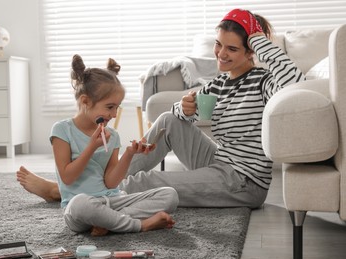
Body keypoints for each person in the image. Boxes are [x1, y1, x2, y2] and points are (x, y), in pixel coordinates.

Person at [18, 8, 304, 209]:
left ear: (251, 51)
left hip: (243, 181)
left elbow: (296, 84)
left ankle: (68, 191)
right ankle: (98, 180)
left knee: (150, 181)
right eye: (218, 45)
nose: (221, 54)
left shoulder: (265, 82)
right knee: (168, 119)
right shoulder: (219, 83)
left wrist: (258, 39)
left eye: (232, 49)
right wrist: (185, 108)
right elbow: (180, 115)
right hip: (219, 162)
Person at [19, 54, 179, 236]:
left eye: (117, 108)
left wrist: (128, 154)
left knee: (169, 195)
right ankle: (139, 225)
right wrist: (91, 148)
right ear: (85, 101)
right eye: (110, 107)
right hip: (81, 206)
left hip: (112, 200)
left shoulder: (114, 136)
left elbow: (111, 183)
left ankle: (108, 221)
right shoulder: (62, 130)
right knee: (80, 204)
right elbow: (67, 178)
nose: (114, 114)